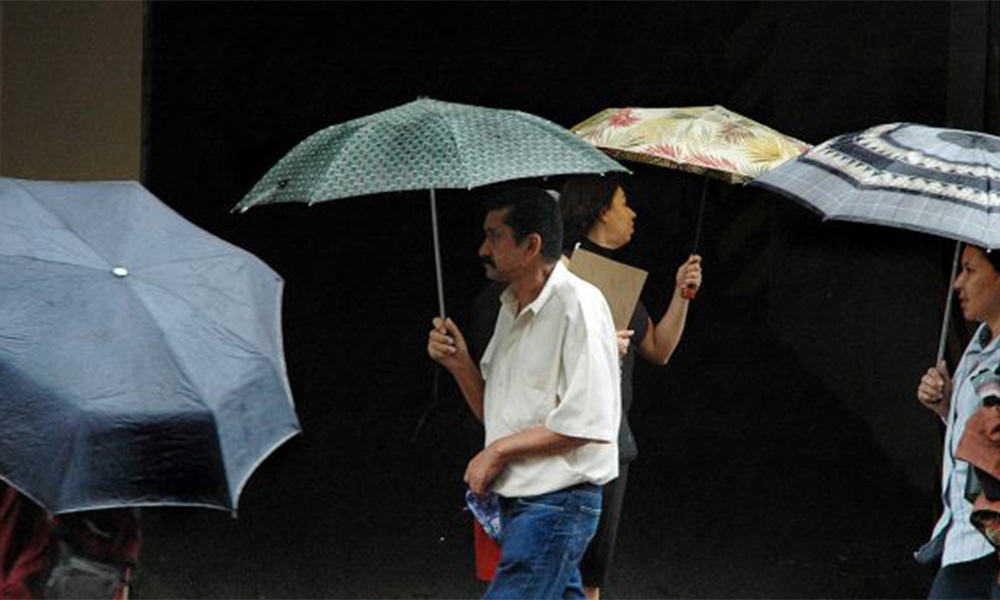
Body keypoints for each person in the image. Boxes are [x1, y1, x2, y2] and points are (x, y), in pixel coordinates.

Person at [427, 185, 621, 599]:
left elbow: (589, 422)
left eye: (495, 236)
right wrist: (459, 363)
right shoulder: (509, 307)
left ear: (531, 244)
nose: (482, 248)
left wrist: (495, 452)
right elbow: (497, 415)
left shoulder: (579, 306)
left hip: (558, 502)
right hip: (523, 500)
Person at [559, 174, 701, 600]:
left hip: (611, 441)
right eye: (625, 204)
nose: (633, 213)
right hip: (572, 439)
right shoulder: (563, 271)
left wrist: (681, 294)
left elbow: (659, 349)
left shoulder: (615, 279)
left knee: (591, 575)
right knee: (568, 569)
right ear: (601, 210)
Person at [916, 243, 1000, 598]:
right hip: (966, 539)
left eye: (970, 270)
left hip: (989, 545)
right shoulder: (980, 345)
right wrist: (947, 406)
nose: (958, 284)